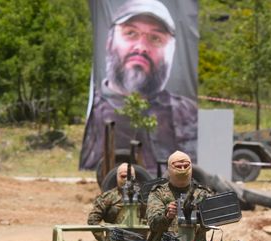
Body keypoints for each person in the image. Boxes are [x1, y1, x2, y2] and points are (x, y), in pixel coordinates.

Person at [79, 0, 197, 174]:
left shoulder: (190, 113)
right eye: (131, 33)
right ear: (109, 41)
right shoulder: (94, 114)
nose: (141, 48)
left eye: (155, 38)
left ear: (171, 51)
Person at [87, 162, 142, 241]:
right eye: (123, 176)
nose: (126, 180)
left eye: (129, 176)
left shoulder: (143, 197)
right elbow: (92, 220)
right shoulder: (108, 197)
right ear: (117, 177)